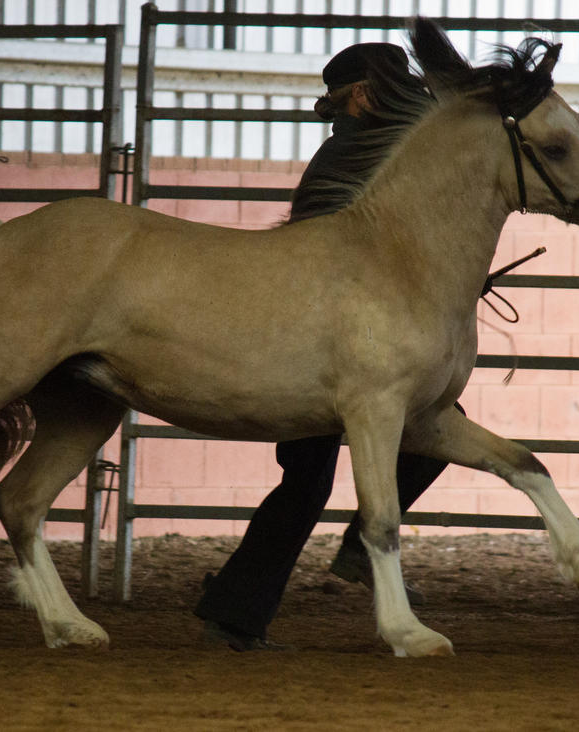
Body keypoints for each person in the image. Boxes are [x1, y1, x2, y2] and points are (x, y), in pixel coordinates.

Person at [194, 42, 458, 651]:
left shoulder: (372, 148)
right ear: (367, 94)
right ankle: (296, 581)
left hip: (353, 344)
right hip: (318, 348)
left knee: (314, 480)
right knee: (319, 478)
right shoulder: (353, 151)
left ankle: (240, 610)